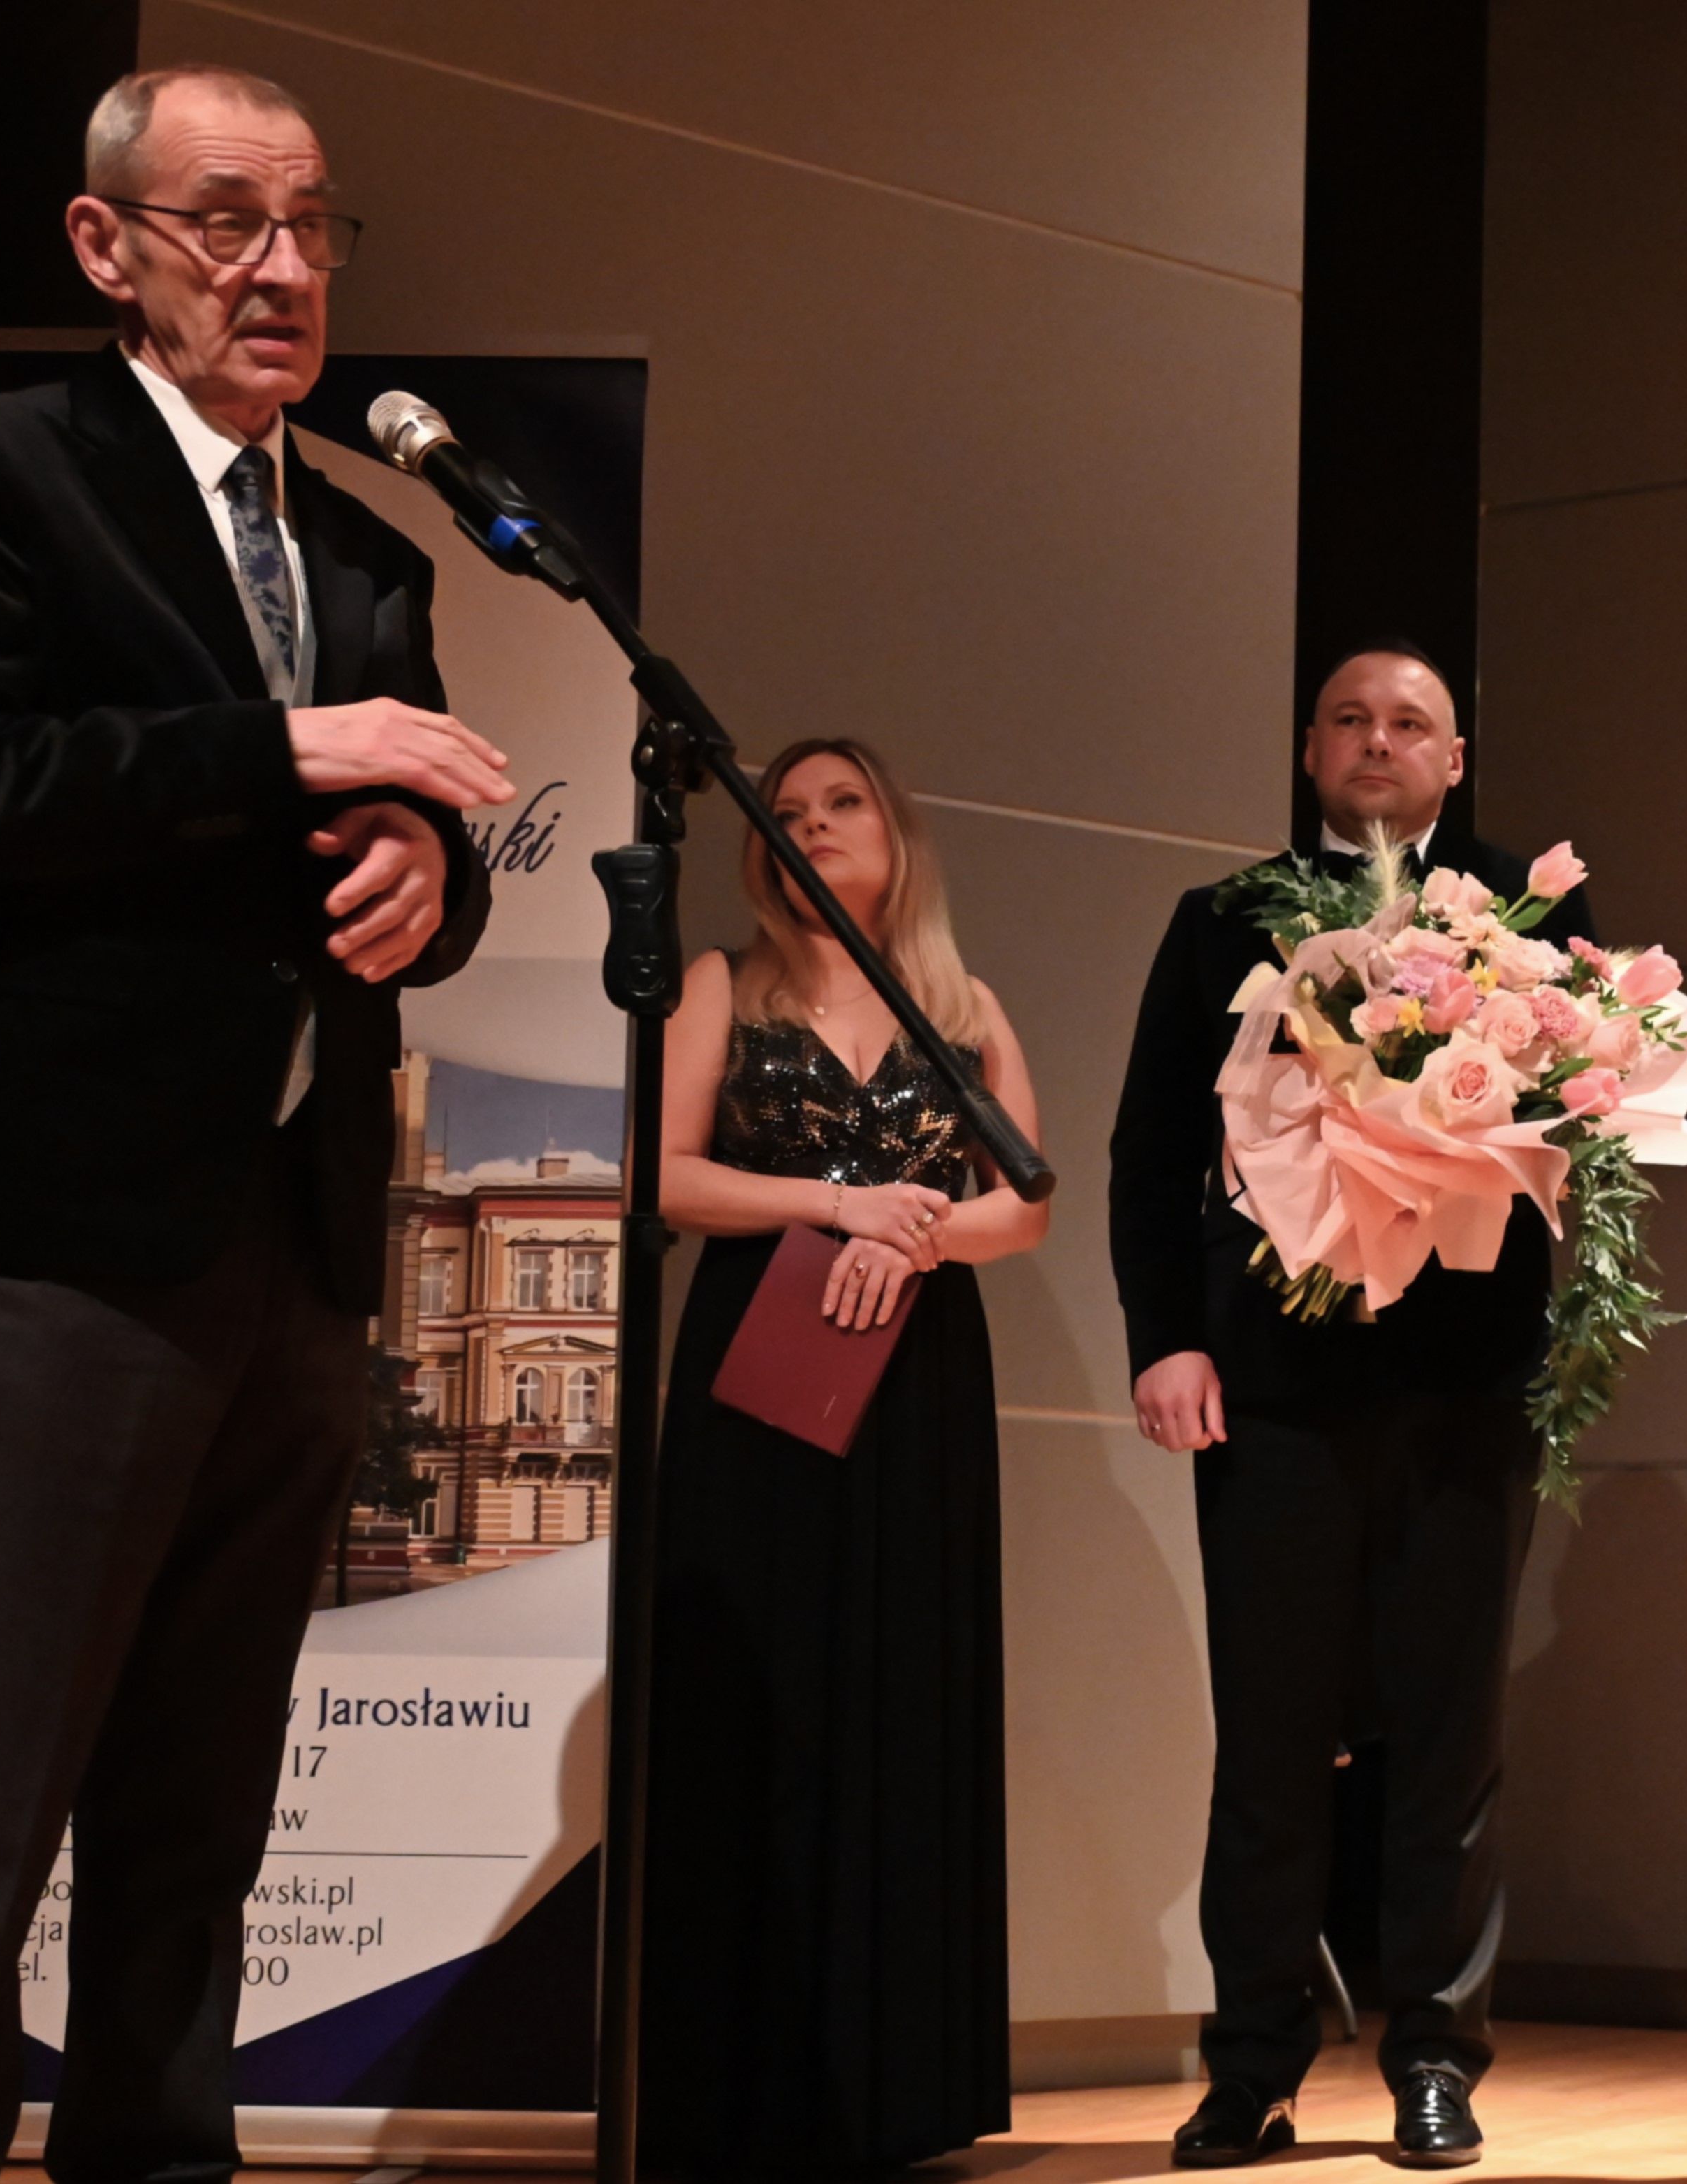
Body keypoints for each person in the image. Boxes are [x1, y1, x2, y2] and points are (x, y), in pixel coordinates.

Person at [0, 64, 508, 2184]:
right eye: (229, 222)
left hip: (296, 1227)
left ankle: (156, 2157)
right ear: (105, 244)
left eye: (313, 226)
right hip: (60, 1227)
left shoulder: (370, 551)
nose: (283, 267)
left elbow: (415, 840)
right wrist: (277, 745)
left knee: (203, 1791)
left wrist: (427, 874)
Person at [1109, 646, 1593, 2170]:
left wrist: (1570, 1342)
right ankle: (1251, 2063)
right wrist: (1165, 1342)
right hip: (1273, 1387)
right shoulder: (1219, 921)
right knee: (1268, 1737)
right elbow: (1148, 1156)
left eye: (1408, 724)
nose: (1377, 742)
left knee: (1450, 1741)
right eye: (1349, 721)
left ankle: (1436, 2058)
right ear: (1311, 748)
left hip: (1467, 1380)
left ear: (1455, 758)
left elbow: (1592, 1142)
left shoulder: (1530, 922)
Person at [639, 737, 1046, 2174]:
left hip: (916, 1374)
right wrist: (840, 1203)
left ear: (896, 832)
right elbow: (660, 1173)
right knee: (758, 1692)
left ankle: (898, 2088)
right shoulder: (719, 984)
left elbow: (1026, 1207)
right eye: (787, 810)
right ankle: (739, 2083)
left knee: (902, 1691)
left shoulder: (963, 1005)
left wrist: (913, 1237)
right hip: (761, 1358)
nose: (811, 825)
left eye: (842, 803)